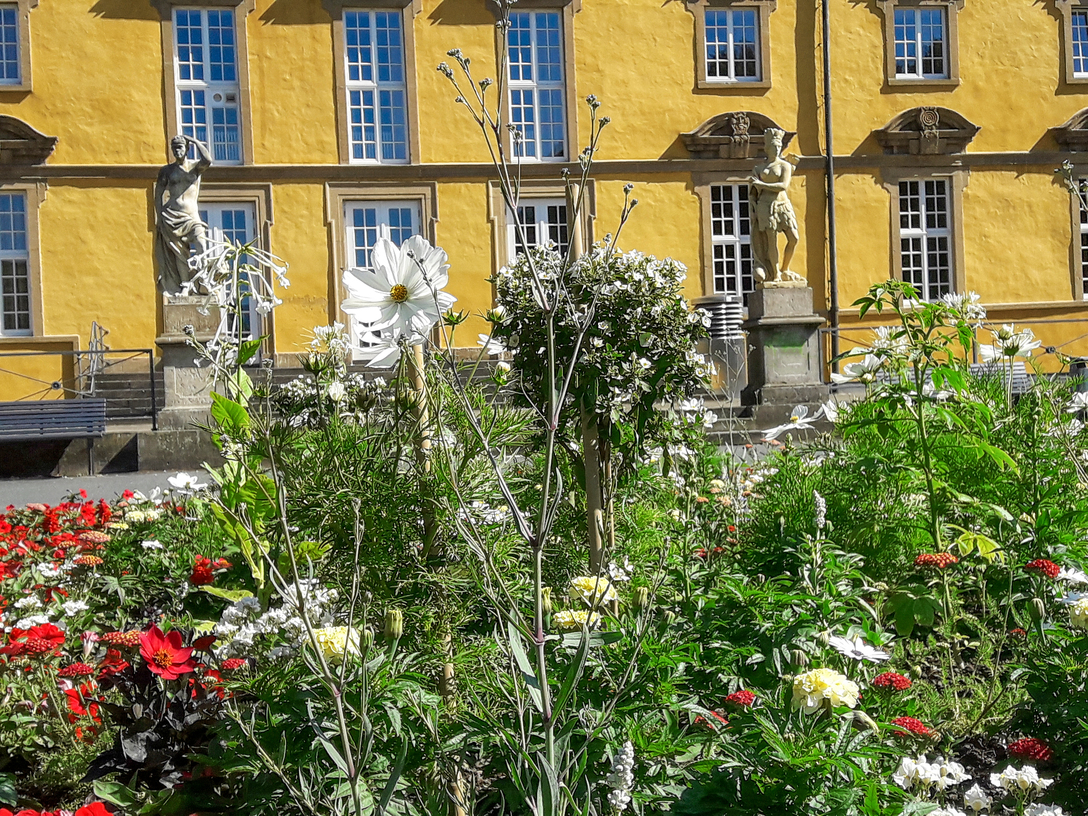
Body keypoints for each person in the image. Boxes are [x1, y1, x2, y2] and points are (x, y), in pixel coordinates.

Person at [154, 134, 212, 295]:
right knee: (180, 254)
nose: (177, 151)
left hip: (191, 216)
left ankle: (204, 277)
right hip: (171, 216)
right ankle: (185, 284)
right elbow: (158, 194)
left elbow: (208, 160)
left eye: (180, 147)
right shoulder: (166, 171)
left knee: (201, 242)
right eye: (174, 148)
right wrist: (159, 218)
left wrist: (195, 141)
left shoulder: (195, 167)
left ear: (186, 149)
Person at [749, 128, 804, 285]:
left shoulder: (785, 166)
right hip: (765, 206)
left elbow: (783, 186)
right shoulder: (758, 169)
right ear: (767, 148)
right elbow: (752, 193)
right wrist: (753, 204)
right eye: (773, 146)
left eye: (779, 146)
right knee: (771, 242)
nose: (777, 148)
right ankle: (776, 274)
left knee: (794, 238)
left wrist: (761, 184)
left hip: (783, 205)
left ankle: (785, 268)